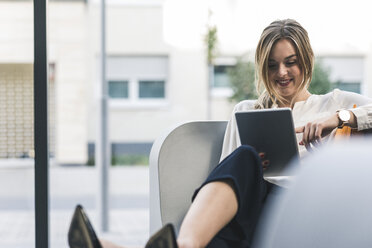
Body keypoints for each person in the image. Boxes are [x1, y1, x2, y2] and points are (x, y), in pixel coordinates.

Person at [101, 19, 372, 248]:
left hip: (298, 208)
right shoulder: (246, 111)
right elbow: (225, 177)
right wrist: (253, 167)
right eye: (272, 65)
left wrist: (340, 118)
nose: (282, 73)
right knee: (244, 157)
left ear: (306, 61)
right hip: (248, 215)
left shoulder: (333, 104)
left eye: (291, 62)